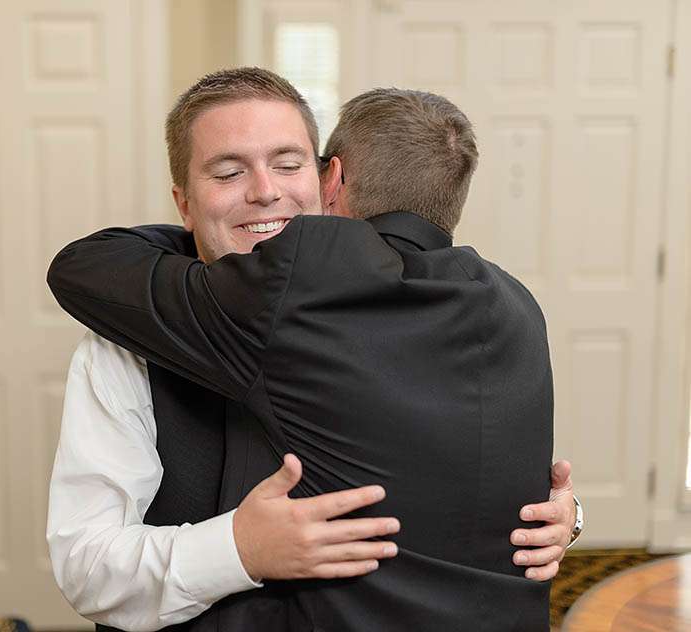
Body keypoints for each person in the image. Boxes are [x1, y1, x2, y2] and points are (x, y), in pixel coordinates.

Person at [48, 68, 577, 631]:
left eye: (288, 164)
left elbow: (455, 461)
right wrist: (236, 550)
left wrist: (557, 514)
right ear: (184, 203)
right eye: (228, 172)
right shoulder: (121, 347)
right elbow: (86, 567)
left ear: (329, 182)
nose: (265, 191)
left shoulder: (427, 305)